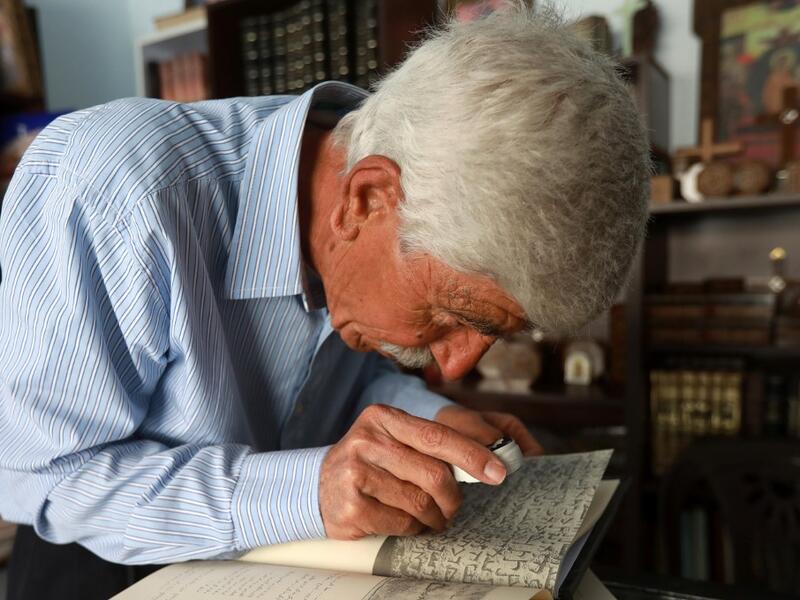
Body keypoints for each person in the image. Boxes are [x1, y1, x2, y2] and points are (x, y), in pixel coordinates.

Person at [0, 4, 649, 599]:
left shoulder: (405, 186)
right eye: (457, 317)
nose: (454, 367)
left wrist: (425, 418)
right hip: (108, 574)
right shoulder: (111, 191)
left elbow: (329, 387)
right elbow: (41, 477)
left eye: (494, 333)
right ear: (366, 199)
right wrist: (306, 491)